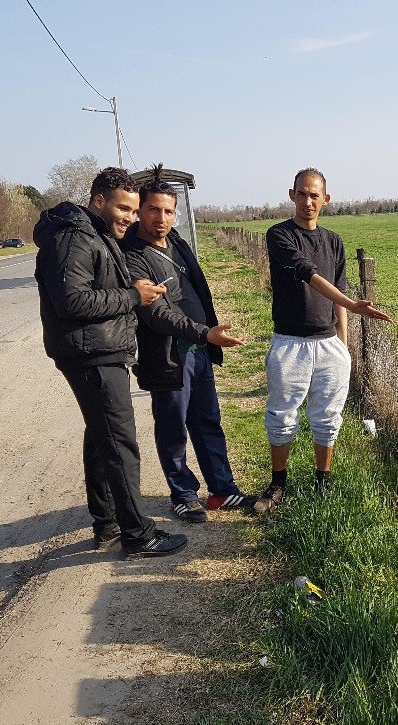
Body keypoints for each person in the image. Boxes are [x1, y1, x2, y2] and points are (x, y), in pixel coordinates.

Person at [33, 167, 187, 558]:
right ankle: (138, 535)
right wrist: (133, 297)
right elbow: (72, 301)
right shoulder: (73, 238)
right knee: (120, 443)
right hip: (91, 354)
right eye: (123, 208)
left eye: (134, 212)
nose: (130, 218)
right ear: (98, 201)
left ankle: (108, 522)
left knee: (102, 438)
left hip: (99, 351)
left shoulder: (92, 233)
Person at [122, 165, 256, 522]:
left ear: (175, 213)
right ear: (139, 210)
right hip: (167, 358)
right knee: (173, 428)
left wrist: (207, 334)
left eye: (168, 211)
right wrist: (205, 333)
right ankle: (182, 494)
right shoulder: (132, 254)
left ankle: (222, 491)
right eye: (153, 209)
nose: (161, 217)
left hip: (197, 352)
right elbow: (156, 314)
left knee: (208, 421)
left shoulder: (178, 242)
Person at [255, 167, 391, 512]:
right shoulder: (278, 235)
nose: (307, 201)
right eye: (301, 194)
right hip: (290, 342)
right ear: (291, 195)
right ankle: (277, 484)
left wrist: (343, 345)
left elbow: (338, 292)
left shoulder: (333, 241)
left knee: (328, 418)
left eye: (314, 195)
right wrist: (352, 305)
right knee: (282, 415)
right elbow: (307, 273)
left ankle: (322, 481)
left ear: (325, 200)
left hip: (329, 344)